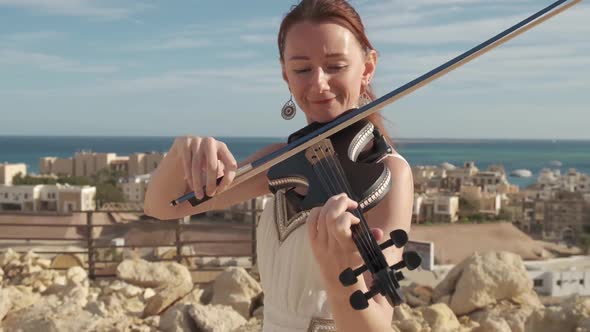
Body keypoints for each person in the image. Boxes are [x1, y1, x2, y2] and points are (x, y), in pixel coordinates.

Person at [143, 0, 414, 331]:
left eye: (335, 66)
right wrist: (181, 151)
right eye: (302, 69)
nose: (318, 84)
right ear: (285, 75)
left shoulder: (387, 173)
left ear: (367, 67)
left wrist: (336, 271)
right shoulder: (281, 160)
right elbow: (161, 207)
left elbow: (379, 325)